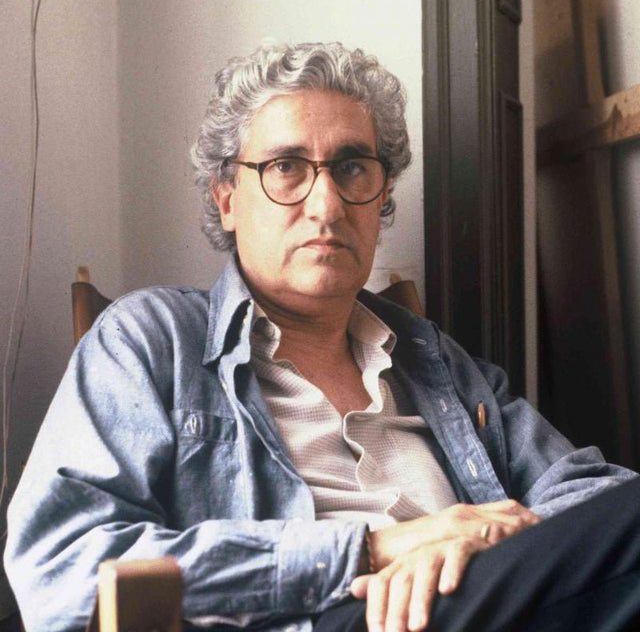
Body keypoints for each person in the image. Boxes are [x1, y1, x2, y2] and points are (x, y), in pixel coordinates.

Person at [4, 41, 640, 632]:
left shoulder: (437, 363)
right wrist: (372, 550)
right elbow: (62, 565)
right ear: (227, 198)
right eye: (285, 166)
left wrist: (476, 545)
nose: (327, 205)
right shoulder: (151, 340)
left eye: (352, 167)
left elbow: (594, 493)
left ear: (380, 198)